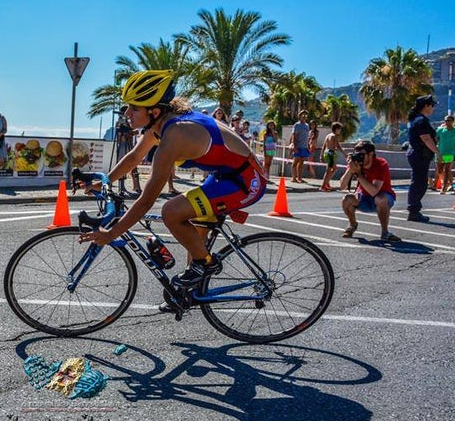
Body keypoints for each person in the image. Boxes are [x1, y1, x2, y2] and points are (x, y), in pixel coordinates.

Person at [79, 70, 267, 312]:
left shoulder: (174, 135)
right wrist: (105, 180)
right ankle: (189, 294)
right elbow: (135, 156)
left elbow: (146, 200)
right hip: (224, 176)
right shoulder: (160, 125)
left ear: (154, 111)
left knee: (171, 212)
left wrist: (112, 233)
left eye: (133, 108)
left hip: (245, 182)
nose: (126, 114)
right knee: (195, 244)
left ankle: (207, 265)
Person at [339, 140, 401, 242]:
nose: (359, 157)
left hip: (383, 198)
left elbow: (374, 191)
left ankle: (385, 232)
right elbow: (342, 186)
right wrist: (350, 169)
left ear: (371, 154)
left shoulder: (381, 164)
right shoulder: (356, 163)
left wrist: (358, 174)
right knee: (346, 199)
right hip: (363, 197)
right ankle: (352, 224)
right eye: (357, 154)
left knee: (380, 199)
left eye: (362, 154)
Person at [405, 95, 441, 222]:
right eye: (432, 105)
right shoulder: (421, 120)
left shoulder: (415, 119)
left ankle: (414, 209)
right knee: (419, 182)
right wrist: (437, 152)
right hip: (419, 154)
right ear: (426, 106)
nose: (433, 108)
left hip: (416, 153)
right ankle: (413, 210)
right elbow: (426, 138)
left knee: (419, 181)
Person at [435, 115, 455, 194]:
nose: (447, 122)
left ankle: (444, 188)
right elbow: (435, 140)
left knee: (447, 170)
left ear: (453, 121)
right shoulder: (440, 130)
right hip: (440, 153)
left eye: (449, 120)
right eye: (446, 120)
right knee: (439, 171)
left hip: (450, 153)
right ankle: (449, 183)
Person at [319, 122, 346, 192]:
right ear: (336, 129)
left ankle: (326, 184)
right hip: (330, 153)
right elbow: (338, 146)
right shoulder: (334, 136)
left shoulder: (328, 135)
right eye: (339, 129)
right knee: (330, 170)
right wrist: (345, 154)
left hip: (327, 153)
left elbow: (324, 146)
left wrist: (321, 155)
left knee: (332, 169)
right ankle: (323, 185)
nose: (340, 131)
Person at [288, 110, 311, 183]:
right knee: (295, 162)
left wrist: (308, 146)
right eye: (303, 115)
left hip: (304, 147)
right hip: (298, 146)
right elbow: (294, 136)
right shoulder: (297, 125)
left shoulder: (307, 125)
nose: (304, 117)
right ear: (300, 116)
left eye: (305, 115)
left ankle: (299, 178)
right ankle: (293, 178)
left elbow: (307, 137)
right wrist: (295, 146)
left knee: (301, 163)